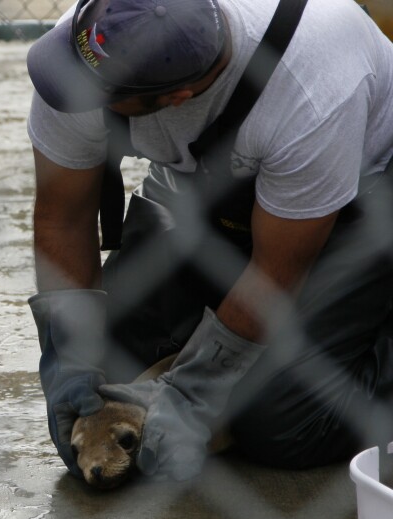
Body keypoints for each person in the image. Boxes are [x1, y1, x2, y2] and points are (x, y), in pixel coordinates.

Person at [26, 0, 393, 483]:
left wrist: (192, 390)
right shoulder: (96, 42)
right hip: (219, 199)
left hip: (360, 209)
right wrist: (69, 358)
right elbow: (63, 216)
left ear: (179, 96)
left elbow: (276, 271)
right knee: (110, 357)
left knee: (279, 421)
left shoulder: (313, 89)